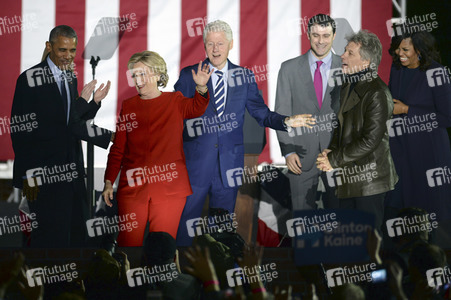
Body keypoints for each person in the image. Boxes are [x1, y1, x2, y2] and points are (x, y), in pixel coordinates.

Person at [174, 20, 316, 246]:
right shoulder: (189, 75)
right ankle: (179, 274)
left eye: (220, 43)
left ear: (231, 44)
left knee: (221, 231)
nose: (215, 49)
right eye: (210, 44)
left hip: (229, 165)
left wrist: (286, 120)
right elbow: (176, 114)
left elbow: (261, 113)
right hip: (195, 164)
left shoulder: (245, 77)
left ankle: (219, 277)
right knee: (185, 222)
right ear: (204, 46)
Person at [10, 25, 113, 247]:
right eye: (62, 50)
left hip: (72, 172)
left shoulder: (70, 77)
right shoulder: (28, 79)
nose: (68, 56)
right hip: (43, 176)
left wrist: (92, 104)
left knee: (75, 236)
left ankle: (70, 282)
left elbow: (72, 124)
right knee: (47, 240)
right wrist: (29, 175)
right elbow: (20, 131)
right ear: (49, 47)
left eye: (72, 50)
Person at [102, 51, 212, 246]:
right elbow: (118, 148)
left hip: (169, 189)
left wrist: (201, 87)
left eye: (142, 74)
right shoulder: (128, 106)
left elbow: (197, 107)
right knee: (129, 246)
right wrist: (109, 181)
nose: (138, 80)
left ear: (157, 75)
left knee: (163, 250)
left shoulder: (175, 101)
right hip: (133, 190)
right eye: (134, 75)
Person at [316, 30, 398, 232]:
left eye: (350, 53)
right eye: (345, 51)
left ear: (366, 62)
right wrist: (331, 149)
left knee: (368, 247)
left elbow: (370, 140)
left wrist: (334, 159)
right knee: (351, 243)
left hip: (369, 182)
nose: (342, 55)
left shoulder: (377, 92)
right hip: (349, 179)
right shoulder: (348, 84)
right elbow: (341, 125)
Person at [275, 14, 341, 211]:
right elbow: (282, 114)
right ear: (307, 35)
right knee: (303, 221)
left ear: (334, 36)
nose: (321, 41)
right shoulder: (288, 69)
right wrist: (289, 151)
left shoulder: (346, 67)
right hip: (300, 157)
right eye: (316, 35)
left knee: (341, 222)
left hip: (337, 156)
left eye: (326, 35)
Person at [384, 28, 451, 222]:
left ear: (420, 50)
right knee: (396, 210)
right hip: (399, 151)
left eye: (405, 50)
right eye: (397, 49)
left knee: (427, 212)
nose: (399, 54)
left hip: (428, 154)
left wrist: (407, 110)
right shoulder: (397, 69)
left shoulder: (436, 72)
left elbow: (447, 117)